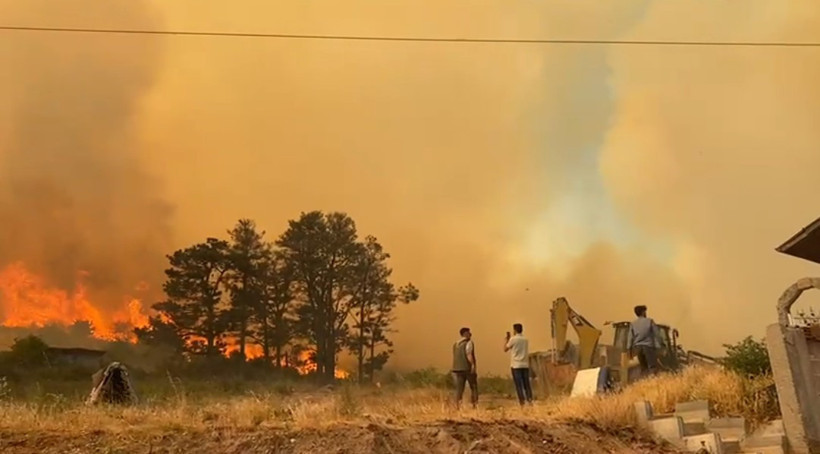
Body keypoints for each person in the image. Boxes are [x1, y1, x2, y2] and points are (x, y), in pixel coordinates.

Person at [504, 323, 533, 406]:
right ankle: (530, 400)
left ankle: (522, 402)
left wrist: (507, 339)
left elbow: (505, 349)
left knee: (518, 385)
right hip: (525, 365)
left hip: (516, 365)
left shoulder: (513, 339)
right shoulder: (525, 339)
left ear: (515, 330)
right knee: (526, 384)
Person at [628, 305, 660, 378]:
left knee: (643, 368)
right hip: (648, 347)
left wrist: (630, 351)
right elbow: (657, 334)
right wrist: (659, 346)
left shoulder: (633, 324)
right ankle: (652, 383)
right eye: (645, 311)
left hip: (638, 348)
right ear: (643, 312)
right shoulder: (650, 321)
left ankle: (643, 382)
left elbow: (630, 338)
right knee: (652, 367)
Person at [452, 327, 478, 408]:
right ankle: (474, 404)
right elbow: (469, 354)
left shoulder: (456, 344)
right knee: (473, 386)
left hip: (457, 368)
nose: (470, 334)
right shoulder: (469, 343)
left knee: (459, 388)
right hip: (466, 368)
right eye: (469, 332)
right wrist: (473, 365)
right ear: (465, 334)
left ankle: (457, 405)